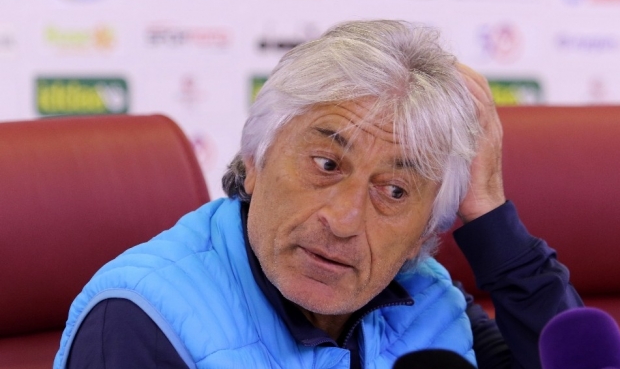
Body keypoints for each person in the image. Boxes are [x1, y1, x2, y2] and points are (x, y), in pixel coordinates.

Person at [54, 20, 582, 369]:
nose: (345, 219)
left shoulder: (429, 302)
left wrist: (487, 210)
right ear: (254, 160)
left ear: (422, 235)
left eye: (394, 191)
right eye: (327, 164)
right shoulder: (142, 320)